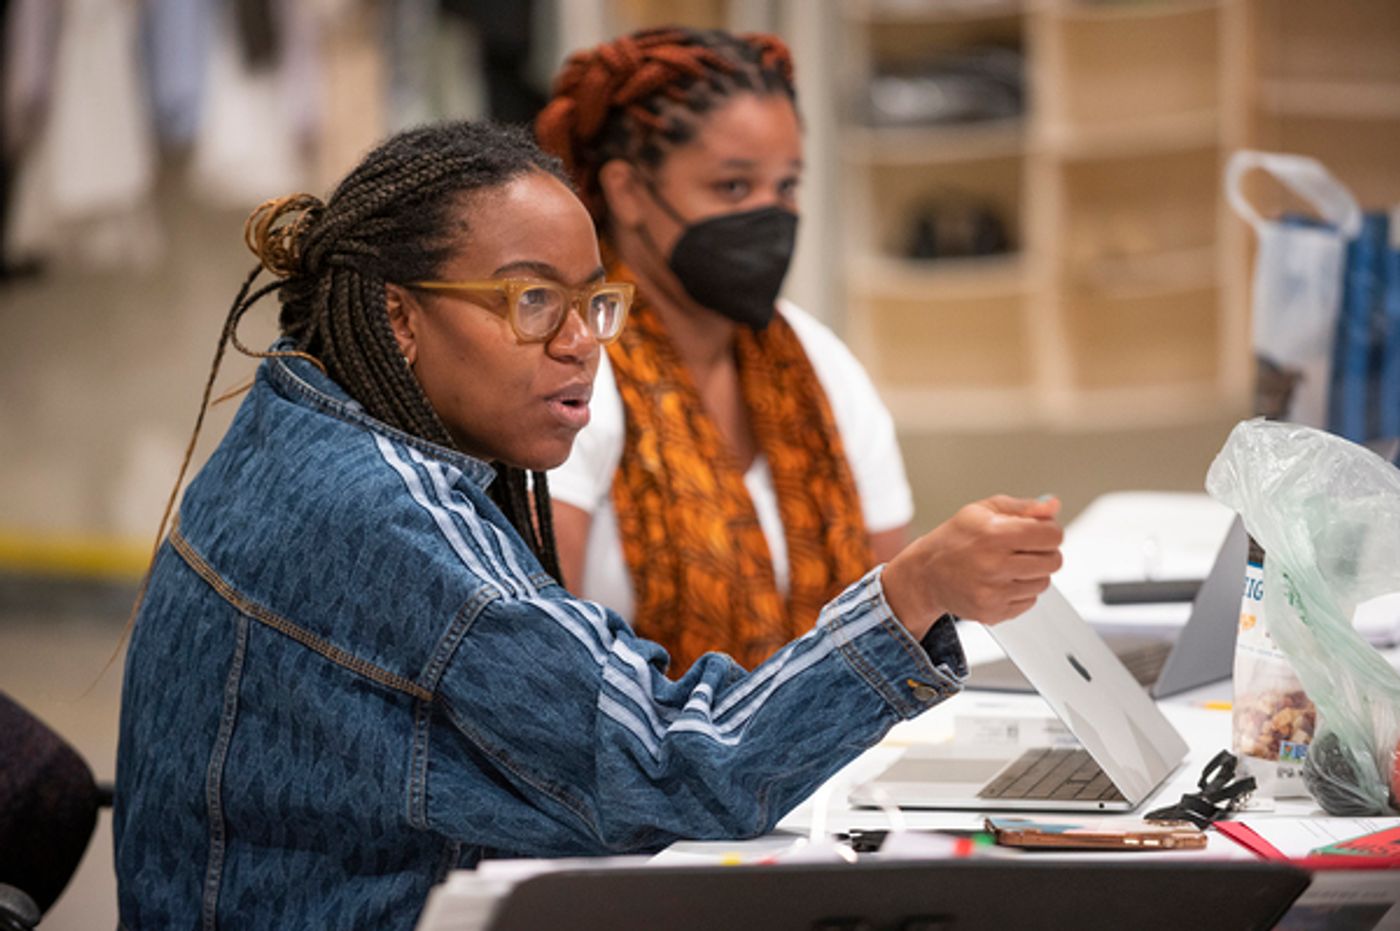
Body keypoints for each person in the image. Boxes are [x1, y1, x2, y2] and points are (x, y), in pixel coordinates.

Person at [113, 120, 1062, 931]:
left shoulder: (306, 419)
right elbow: (683, 764)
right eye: (532, 302)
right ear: (398, 318)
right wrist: (913, 594)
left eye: (591, 303)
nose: (579, 343)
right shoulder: (382, 514)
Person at [535, 28, 919, 671]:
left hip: (842, 759)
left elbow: (890, 623)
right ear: (628, 192)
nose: (771, 219)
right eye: (734, 189)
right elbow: (547, 659)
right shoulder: (573, 368)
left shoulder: (818, 364)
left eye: (787, 187)